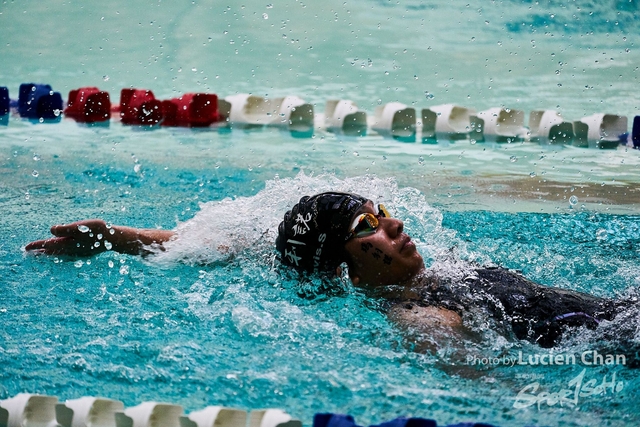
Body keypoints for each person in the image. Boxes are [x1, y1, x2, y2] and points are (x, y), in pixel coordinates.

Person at [25, 191, 633, 351]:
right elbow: (495, 388)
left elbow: (228, 241)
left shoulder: (418, 275)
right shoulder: (424, 316)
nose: (393, 228)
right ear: (346, 266)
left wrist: (118, 238)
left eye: (383, 215)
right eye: (368, 230)